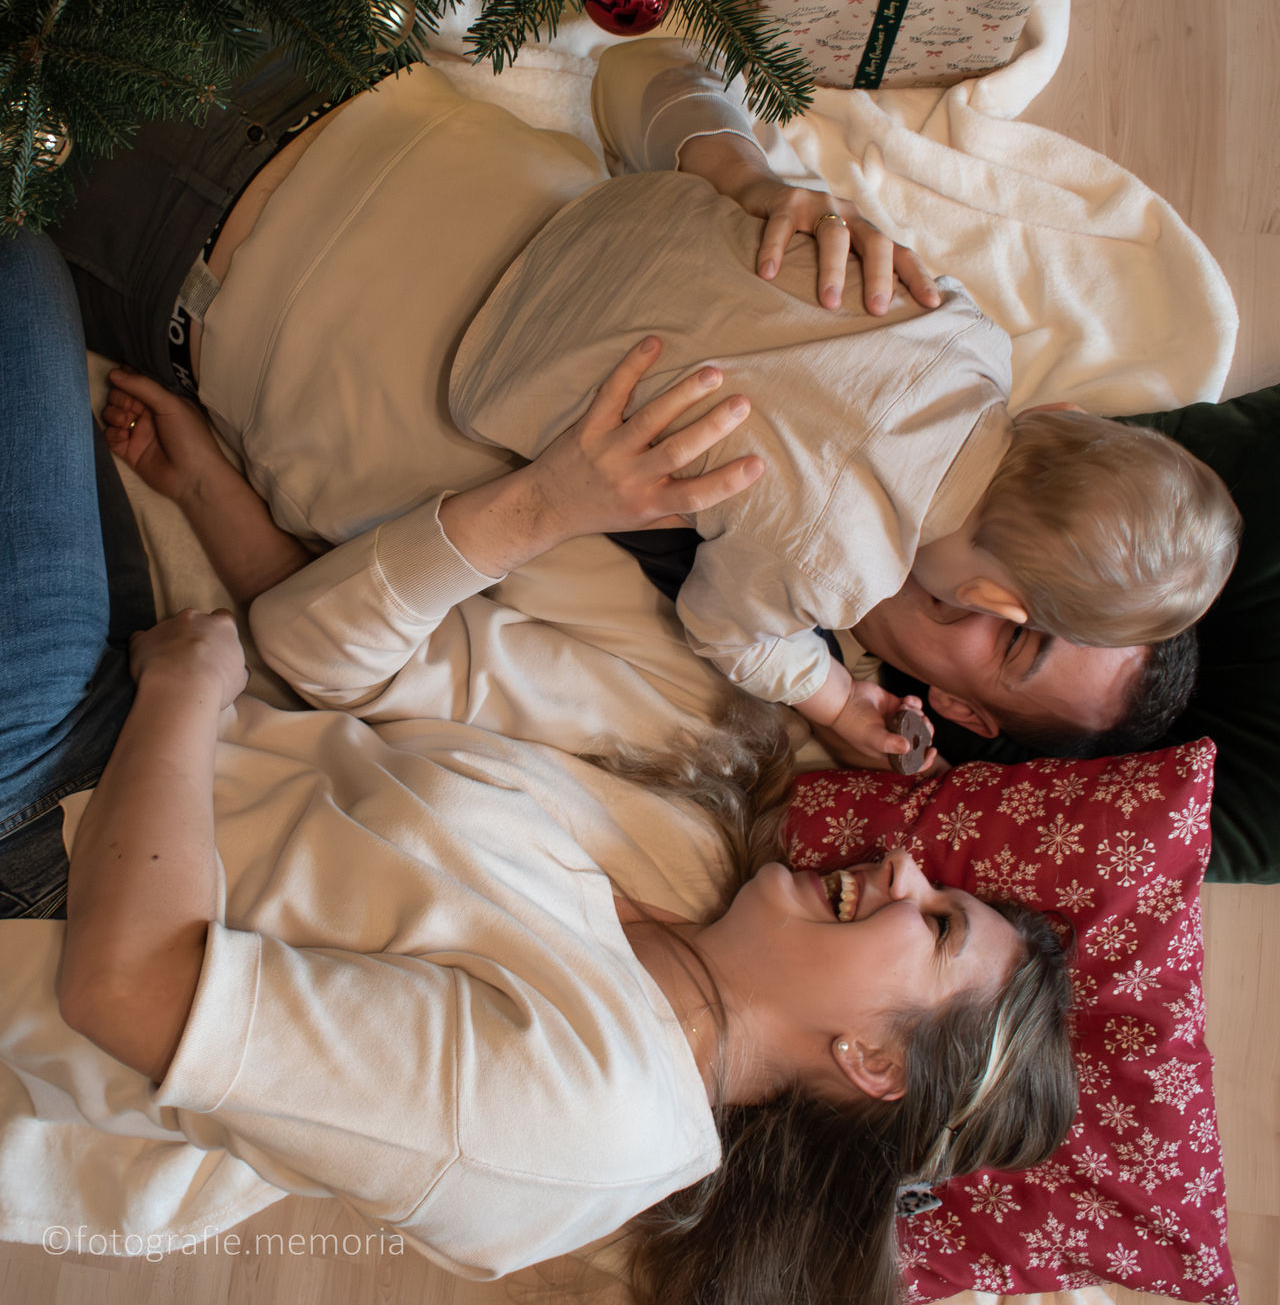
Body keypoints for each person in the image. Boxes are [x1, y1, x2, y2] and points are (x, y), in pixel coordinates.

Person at [0, 232, 1078, 1303]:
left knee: (18, 265)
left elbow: (126, 988)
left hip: (54, 838)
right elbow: (368, 690)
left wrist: (187, 691)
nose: (903, 867)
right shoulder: (681, 857)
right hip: (150, 718)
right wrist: (205, 490)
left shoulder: (578, 1129)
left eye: (937, 925)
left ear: (873, 1064)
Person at [49, 39, 1215, 769]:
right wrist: (749, 179)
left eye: (1013, 645)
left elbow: (309, 652)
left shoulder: (692, 696)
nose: (971, 610)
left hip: (162, 260)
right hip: (317, 67)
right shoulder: (889, 299)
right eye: (1012, 611)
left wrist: (541, 507)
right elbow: (631, 71)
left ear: (959, 714)